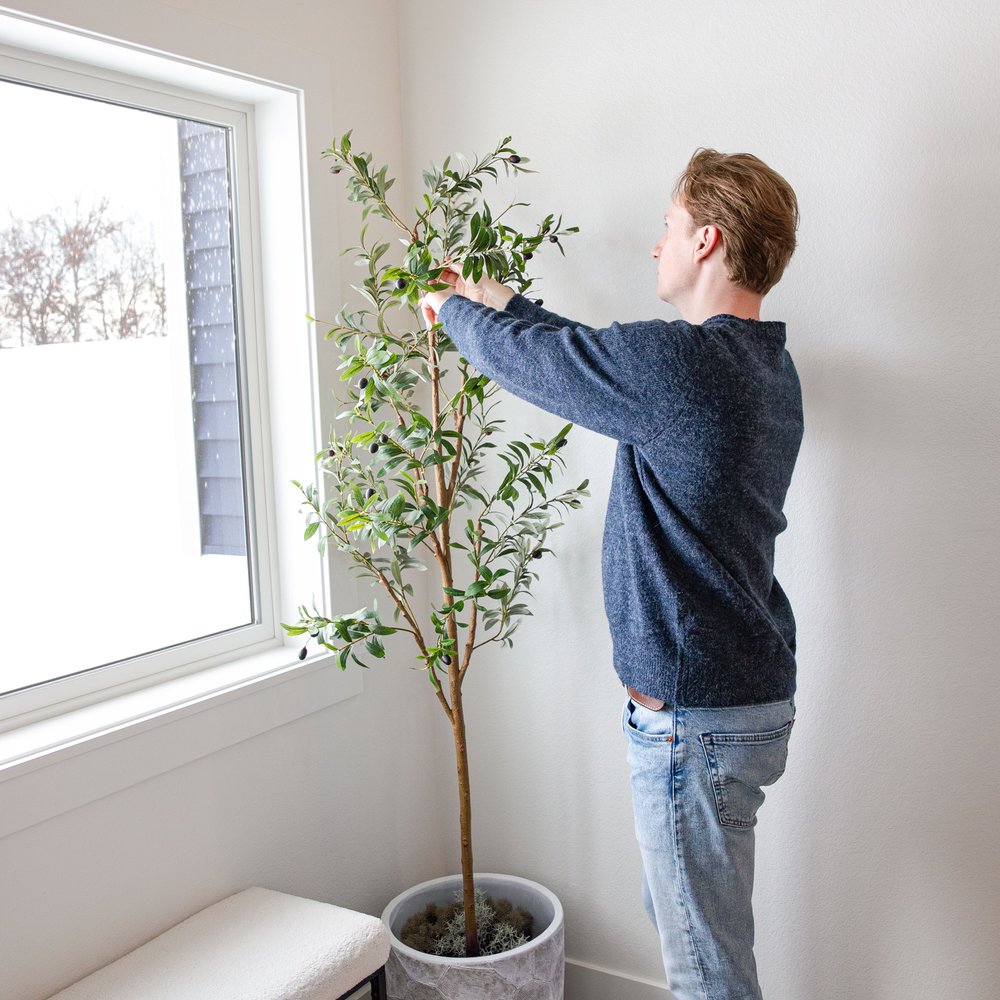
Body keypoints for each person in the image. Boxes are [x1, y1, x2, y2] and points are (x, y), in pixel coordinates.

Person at [421, 148, 802, 1000]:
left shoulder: (687, 369)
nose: (654, 246)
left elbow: (556, 370)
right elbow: (596, 360)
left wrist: (451, 311)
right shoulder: (764, 370)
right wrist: (504, 304)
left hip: (693, 720)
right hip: (741, 701)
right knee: (706, 943)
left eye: (666, 228)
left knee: (704, 973)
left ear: (706, 240)